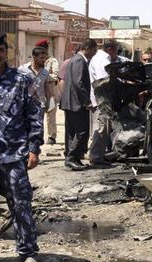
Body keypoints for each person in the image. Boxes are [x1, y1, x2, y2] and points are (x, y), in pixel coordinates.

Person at [0, 32, 43, 262]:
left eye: (0, 49)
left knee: (21, 207)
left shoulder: (21, 80)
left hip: (14, 157)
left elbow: (34, 115)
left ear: (6, 51)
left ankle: (28, 255)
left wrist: (34, 148)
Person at [59, 38, 98, 171]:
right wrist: (87, 100)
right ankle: (71, 158)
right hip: (76, 103)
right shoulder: (79, 60)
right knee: (82, 131)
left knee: (72, 132)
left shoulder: (75, 59)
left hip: (71, 102)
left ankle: (73, 159)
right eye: (94, 50)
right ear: (88, 48)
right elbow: (78, 82)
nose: (94, 53)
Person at [89, 39, 128, 166]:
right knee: (101, 128)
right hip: (101, 100)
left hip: (104, 99)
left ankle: (100, 155)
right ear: (110, 49)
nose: (117, 54)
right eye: (116, 50)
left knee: (105, 128)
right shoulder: (102, 60)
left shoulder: (103, 58)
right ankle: (96, 157)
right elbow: (104, 81)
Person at [35, 39, 60, 145]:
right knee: (37, 114)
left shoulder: (52, 61)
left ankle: (51, 136)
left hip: (49, 91)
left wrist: (44, 77)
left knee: (50, 115)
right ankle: (38, 135)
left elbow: (56, 76)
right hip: (37, 92)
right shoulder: (35, 60)